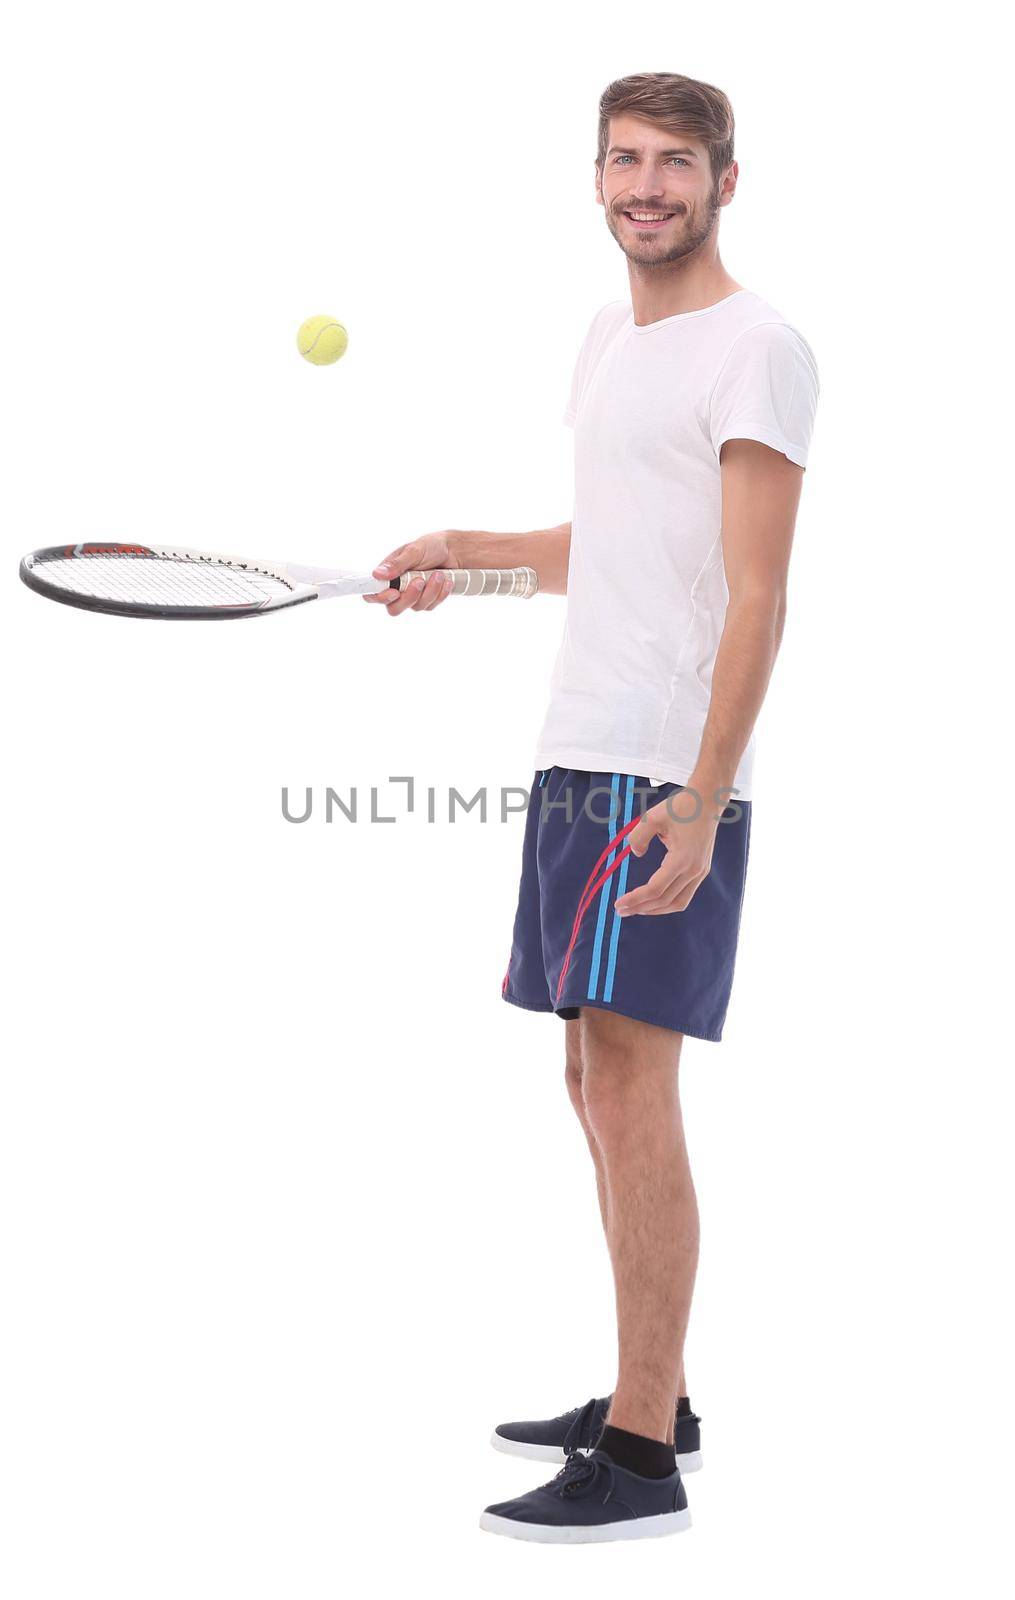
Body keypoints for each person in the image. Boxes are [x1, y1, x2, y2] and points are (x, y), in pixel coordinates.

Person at [367, 70, 819, 1544]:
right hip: (582, 751)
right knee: (590, 1083)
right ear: (599, 176)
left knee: (633, 1086)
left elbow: (759, 590)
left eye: (675, 163)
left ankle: (638, 1456)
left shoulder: (758, 349)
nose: (645, 185)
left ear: (725, 182)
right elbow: (605, 545)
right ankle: (657, 1390)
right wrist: (466, 554)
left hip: (656, 776)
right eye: (623, 158)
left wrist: (700, 797)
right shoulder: (608, 342)